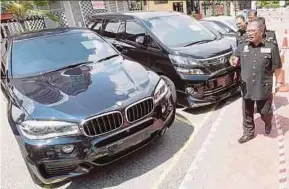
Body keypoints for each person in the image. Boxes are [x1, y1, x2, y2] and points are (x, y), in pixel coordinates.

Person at [229, 19, 283, 144]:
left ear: (261, 31)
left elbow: (277, 67)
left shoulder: (271, 47)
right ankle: (248, 132)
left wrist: (279, 83)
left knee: (264, 111)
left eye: (253, 30)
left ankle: (267, 121)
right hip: (246, 86)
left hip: (263, 86)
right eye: (248, 30)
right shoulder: (243, 46)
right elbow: (234, 56)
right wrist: (232, 60)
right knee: (247, 112)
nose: (249, 33)